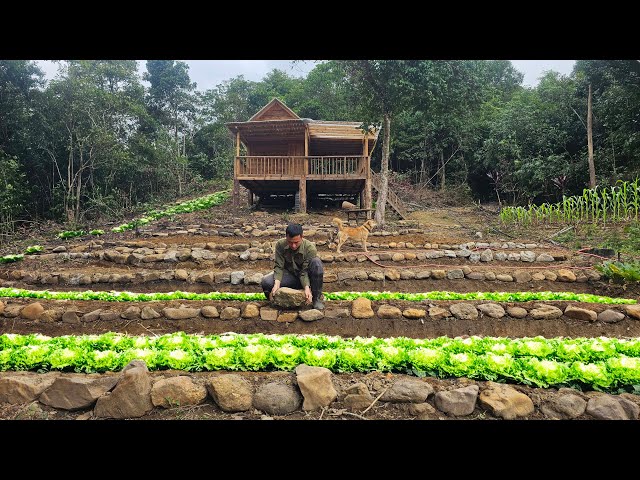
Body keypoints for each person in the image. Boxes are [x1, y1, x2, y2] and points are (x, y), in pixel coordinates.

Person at [261, 222, 325, 310]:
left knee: (317, 263)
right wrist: (276, 284)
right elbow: (279, 266)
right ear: (286, 237)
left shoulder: (310, 248)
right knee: (266, 282)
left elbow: (304, 271)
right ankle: (274, 299)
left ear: (302, 237)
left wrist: (307, 287)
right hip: (291, 276)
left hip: (307, 277)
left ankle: (316, 298)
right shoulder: (280, 245)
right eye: (290, 242)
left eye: (296, 242)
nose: (293, 246)